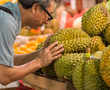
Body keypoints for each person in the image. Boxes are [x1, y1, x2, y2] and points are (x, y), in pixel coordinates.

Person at [0, 0, 64, 88]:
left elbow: (8, 61)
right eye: (48, 15)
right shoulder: (7, 23)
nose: (47, 22)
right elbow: (4, 76)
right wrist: (39, 62)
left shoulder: (8, 13)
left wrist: (39, 54)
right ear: (35, 8)